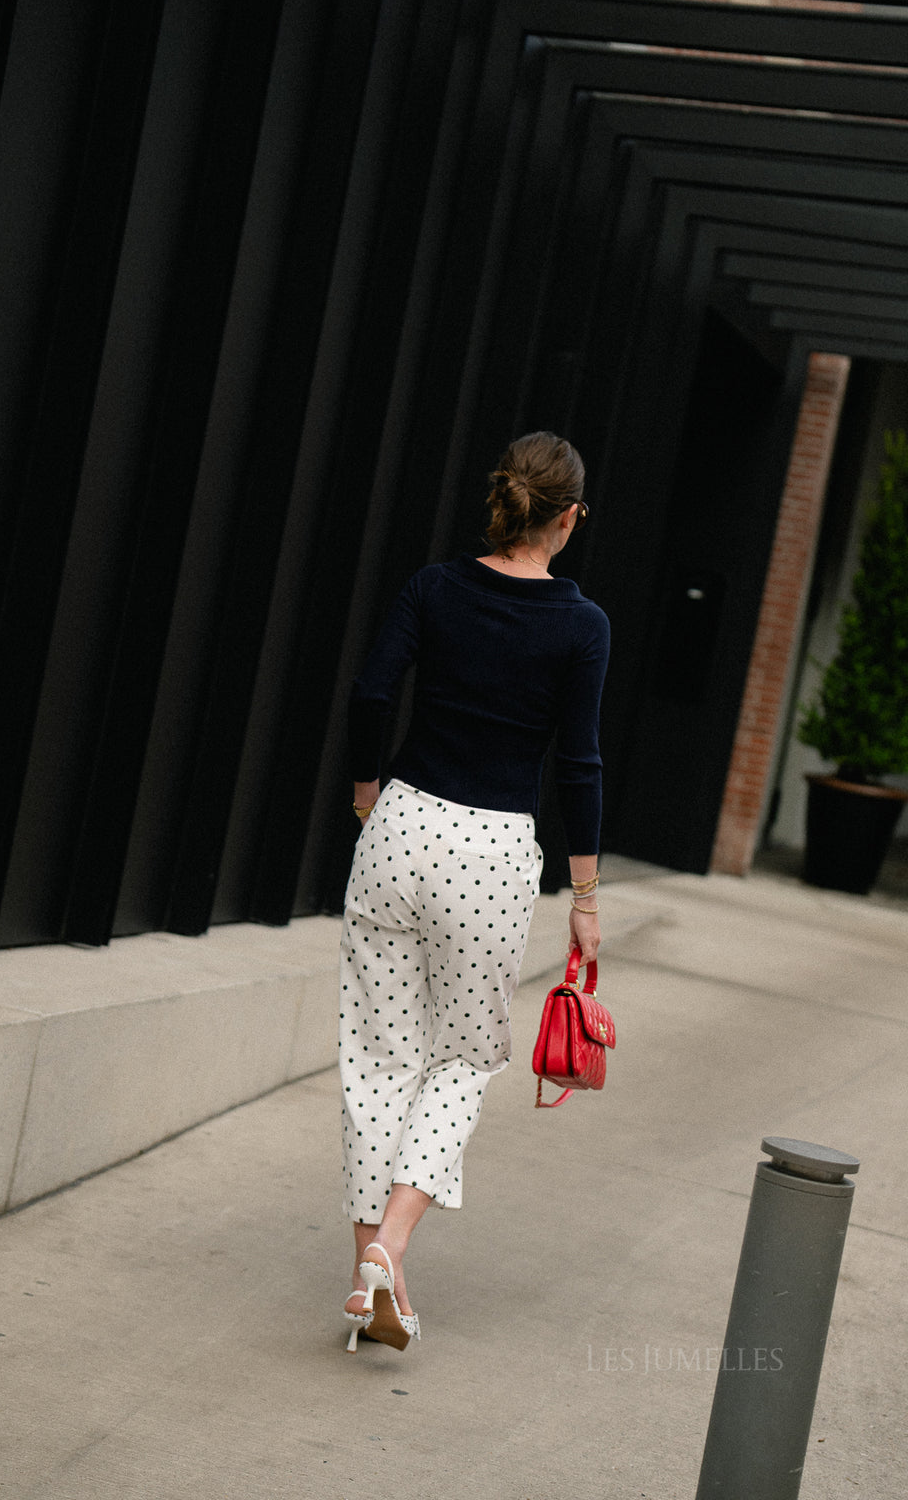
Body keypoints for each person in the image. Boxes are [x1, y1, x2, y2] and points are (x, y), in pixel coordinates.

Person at [338, 430, 610, 1353]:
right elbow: (578, 764)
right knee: (462, 1058)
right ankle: (395, 1242)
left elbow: (373, 693)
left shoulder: (433, 587)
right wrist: (584, 895)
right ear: (568, 517)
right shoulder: (582, 626)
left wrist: (369, 791)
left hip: (401, 826)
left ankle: (375, 1269)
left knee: (379, 1056)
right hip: (491, 853)